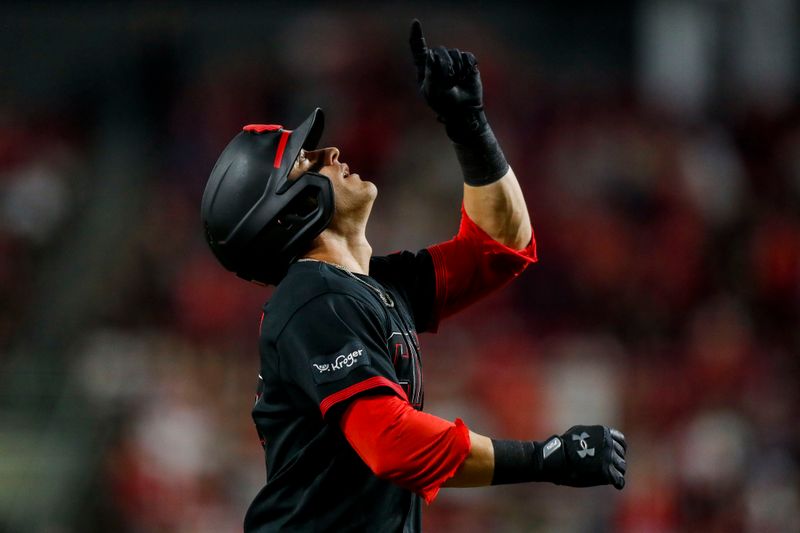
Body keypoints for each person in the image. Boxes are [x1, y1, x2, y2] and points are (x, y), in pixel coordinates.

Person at [201, 19, 627, 533]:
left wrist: (469, 126)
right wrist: (543, 459)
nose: (331, 153)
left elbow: (501, 248)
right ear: (291, 211)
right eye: (306, 161)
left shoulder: (370, 286)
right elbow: (391, 444)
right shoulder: (314, 299)